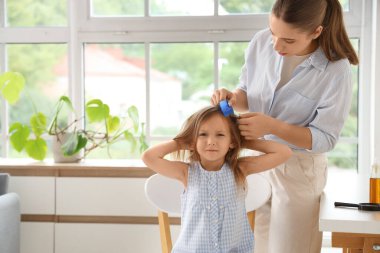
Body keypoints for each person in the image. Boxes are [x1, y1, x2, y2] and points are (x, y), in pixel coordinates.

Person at [211, 0, 359, 253]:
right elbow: (248, 90)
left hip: (298, 171)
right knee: (254, 246)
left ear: (316, 32)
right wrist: (234, 98)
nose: (277, 46)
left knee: (290, 249)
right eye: (273, 33)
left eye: (288, 41)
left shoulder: (336, 70)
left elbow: (325, 138)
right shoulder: (261, 42)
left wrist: (272, 126)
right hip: (257, 162)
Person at [142, 105, 292, 253]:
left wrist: (240, 140)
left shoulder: (239, 169)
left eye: (220, 135)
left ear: (231, 141)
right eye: (203, 135)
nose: (211, 141)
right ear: (193, 141)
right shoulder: (186, 172)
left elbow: (283, 152)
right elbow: (149, 157)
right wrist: (182, 142)